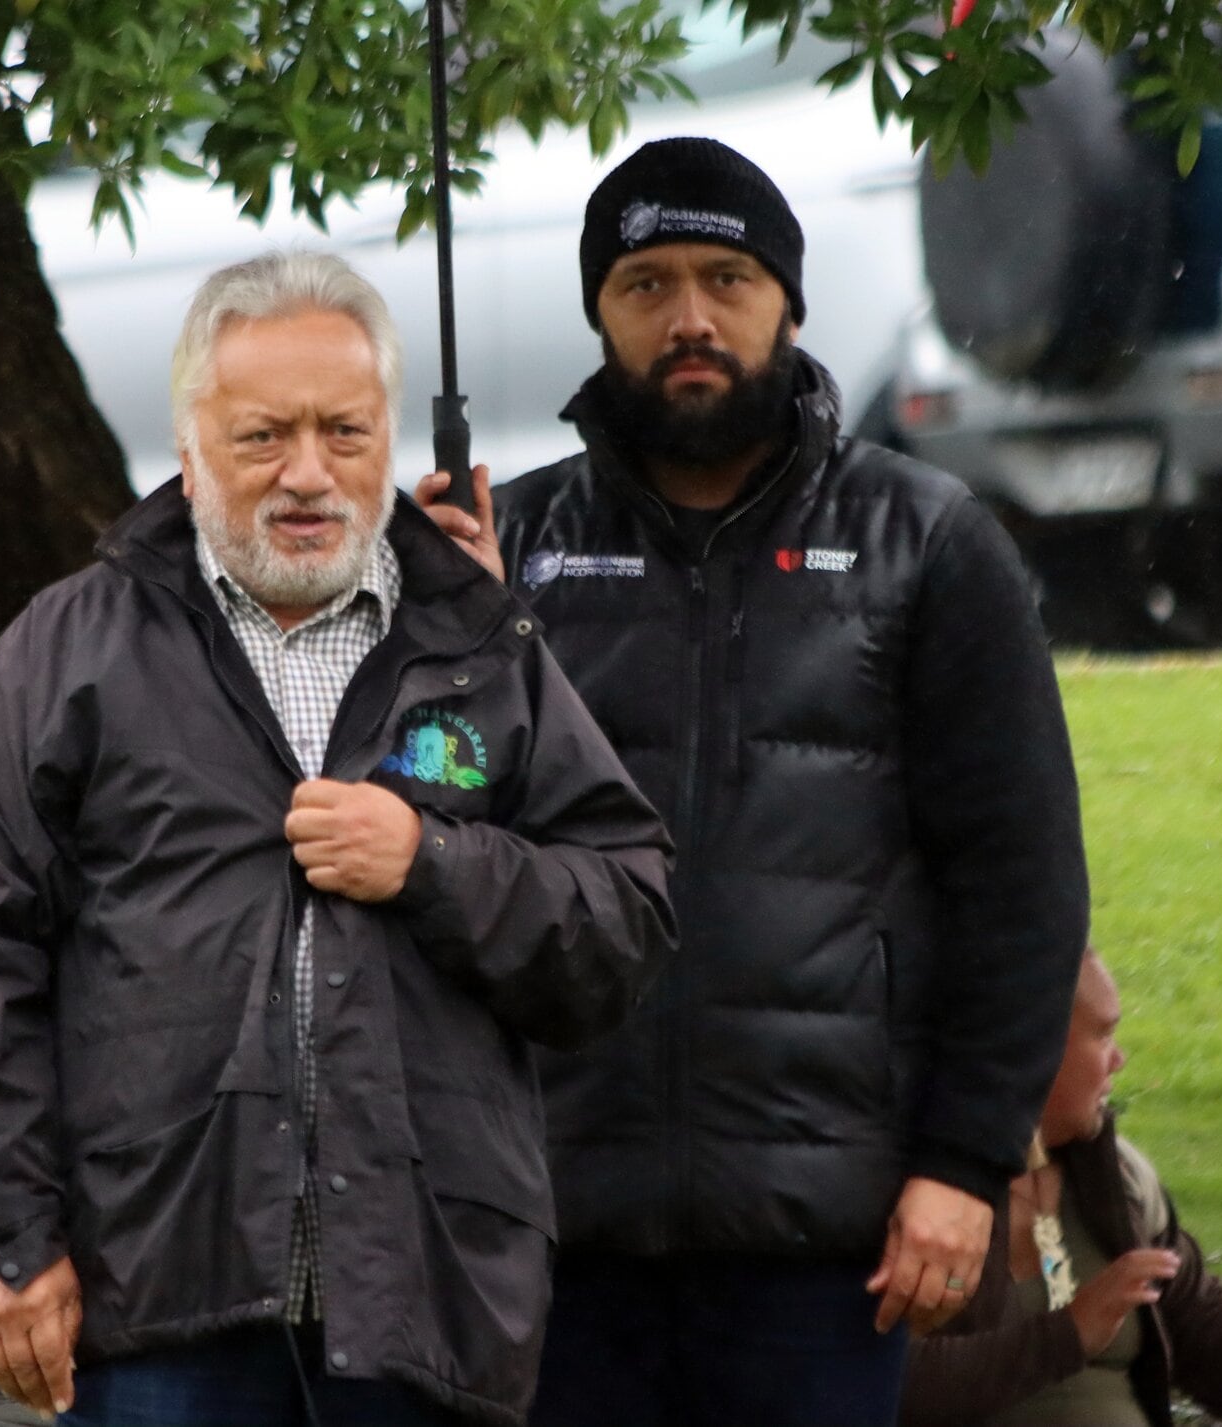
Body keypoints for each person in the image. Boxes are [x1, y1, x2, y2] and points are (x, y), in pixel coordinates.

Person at [0, 250, 676, 1427]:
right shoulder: (66, 653)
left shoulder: (478, 642)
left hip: (428, 1300)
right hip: (160, 1299)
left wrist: (432, 861)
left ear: (386, 439)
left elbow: (626, 914)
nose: (307, 475)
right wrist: (10, 1240)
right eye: (264, 436)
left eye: (344, 433)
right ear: (190, 444)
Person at [419, 137, 1091, 1426]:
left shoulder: (928, 543)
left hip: (826, 1248)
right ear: (597, 314)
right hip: (550, 1222)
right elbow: (427, 827)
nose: (688, 317)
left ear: (786, 300)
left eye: (726, 278)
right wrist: (450, 651)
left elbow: (1020, 884)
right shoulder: (514, 552)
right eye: (645, 283)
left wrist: (961, 1162)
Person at [901, 950, 1222, 1427]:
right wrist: (1067, 1336)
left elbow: (1206, 1332)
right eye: (1102, 1034)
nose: (1119, 1059)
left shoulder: (1116, 1178)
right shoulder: (918, 1202)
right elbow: (879, 1382)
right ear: (1033, 1047)